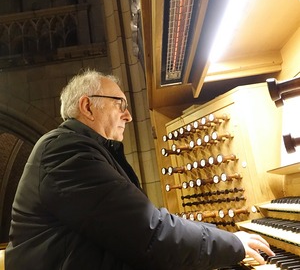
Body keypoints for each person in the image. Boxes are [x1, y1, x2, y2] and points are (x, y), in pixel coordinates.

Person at [5, 69, 274, 270]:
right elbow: (149, 233)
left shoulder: (78, 149)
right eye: (120, 104)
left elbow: (141, 228)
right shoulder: (64, 152)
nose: (129, 116)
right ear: (88, 106)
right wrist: (233, 243)